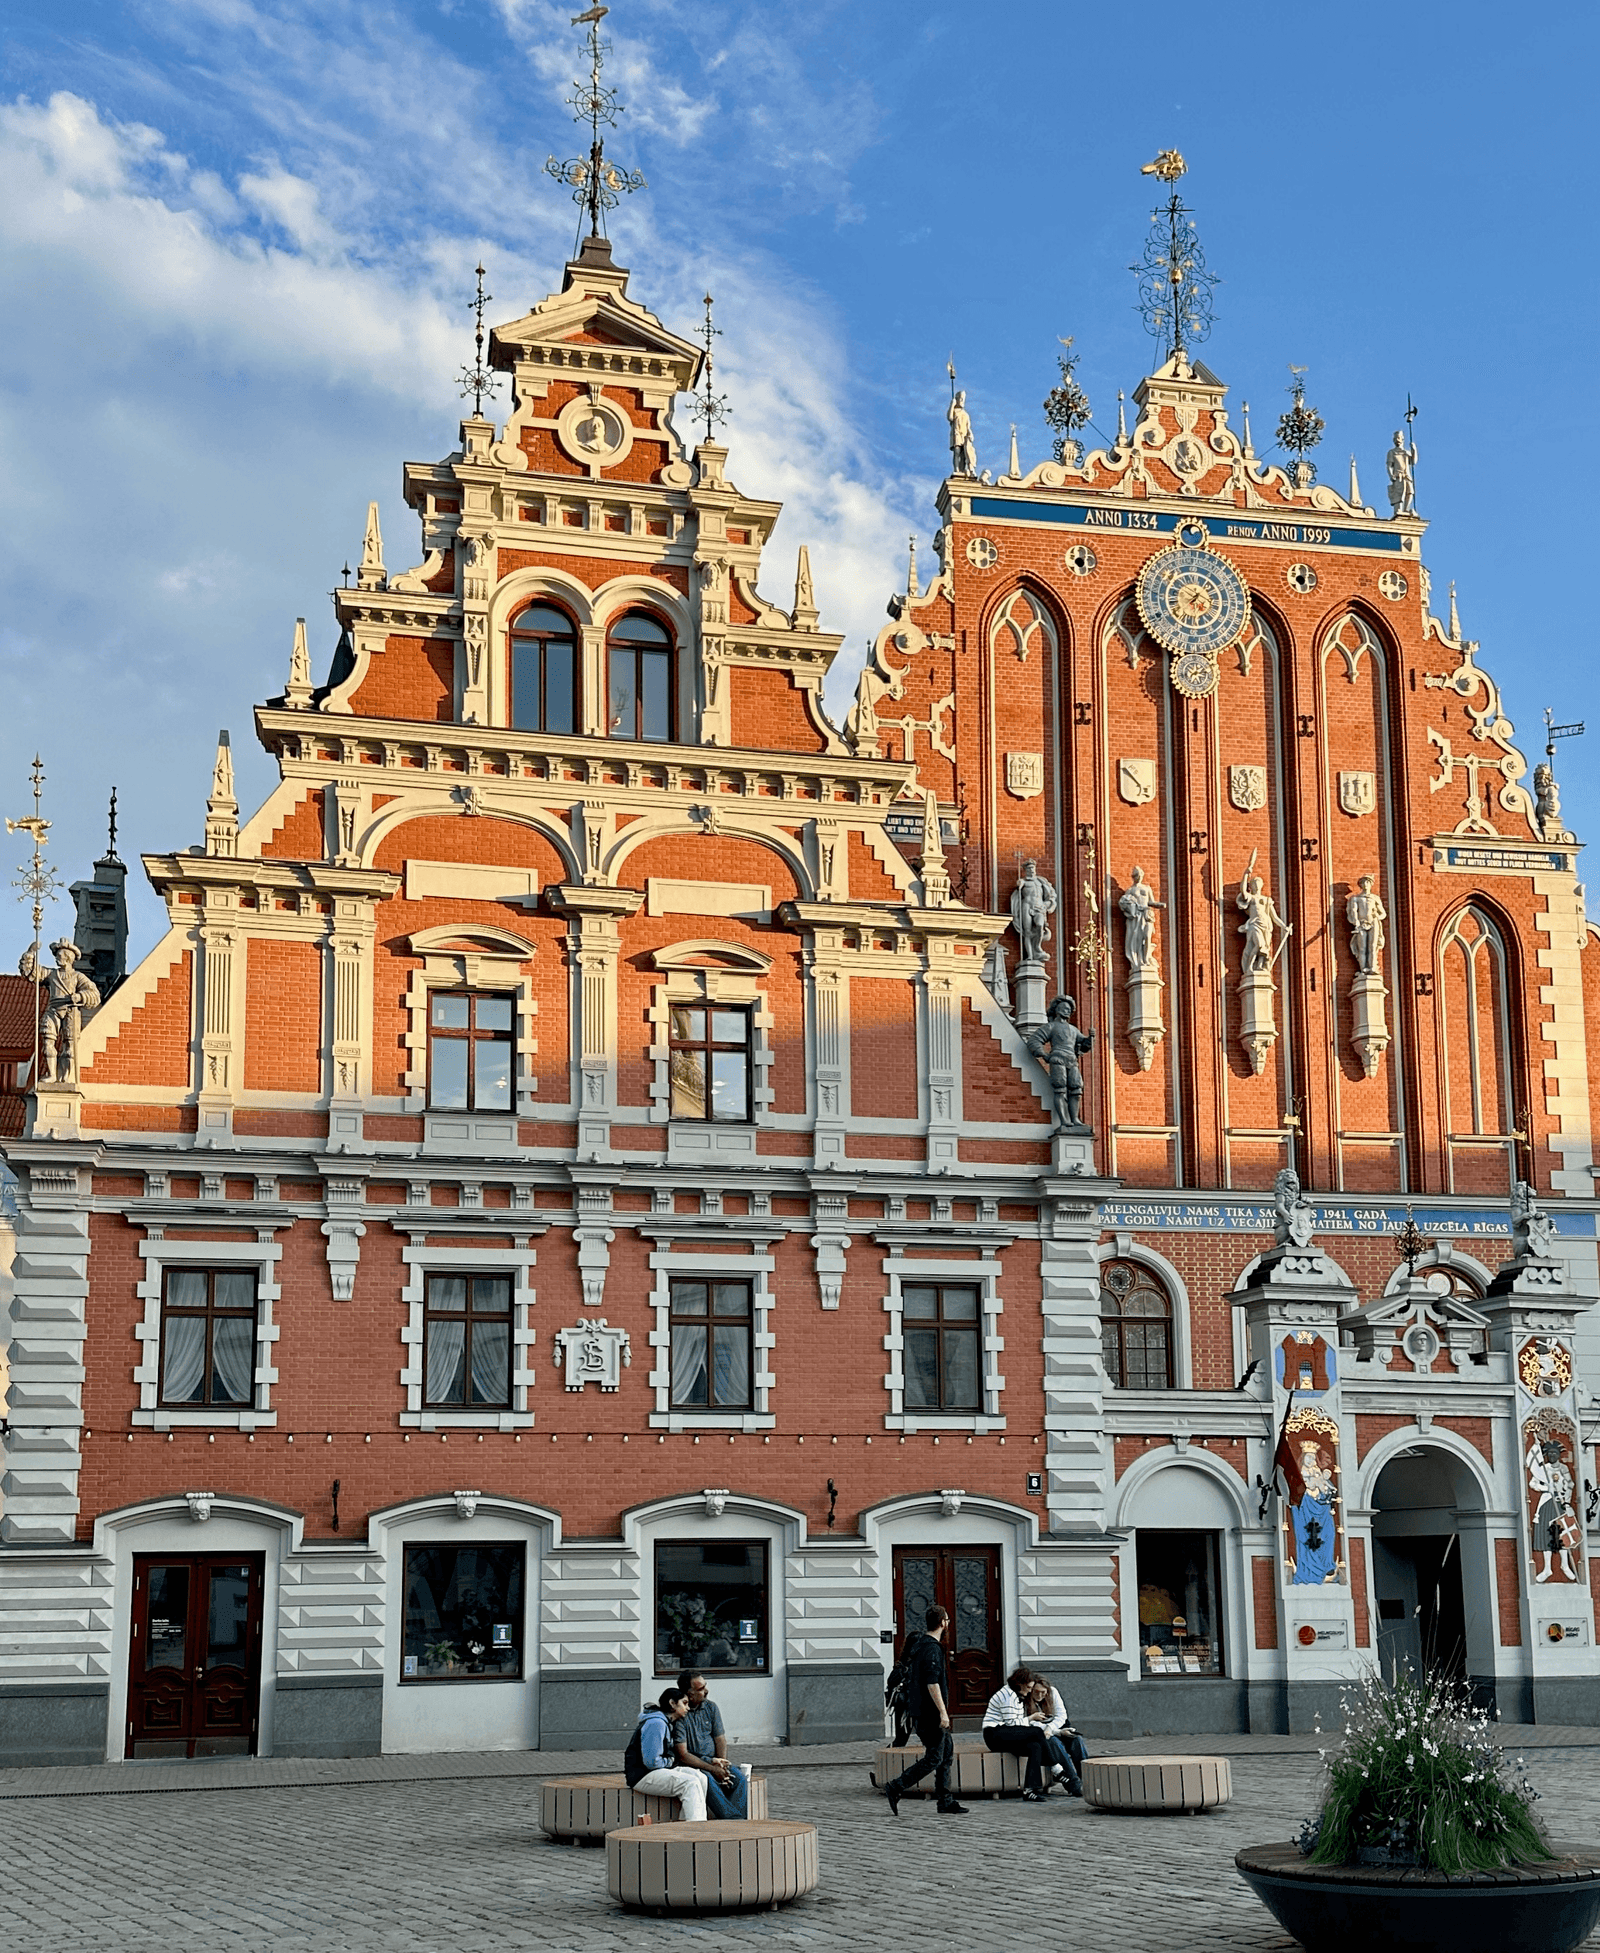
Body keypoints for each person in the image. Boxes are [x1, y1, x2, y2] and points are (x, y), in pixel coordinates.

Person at [874, 1605, 969, 1816]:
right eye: (948, 1620)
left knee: (946, 1755)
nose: (949, 1624)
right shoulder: (931, 1648)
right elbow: (932, 1683)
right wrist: (943, 1713)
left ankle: (945, 1800)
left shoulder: (919, 1645)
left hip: (920, 1711)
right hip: (930, 1714)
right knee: (935, 1758)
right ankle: (896, 1786)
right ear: (943, 1622)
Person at [673, 1669, 749, 1819]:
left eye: (705, 1686)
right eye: (701, 1689)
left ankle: (734, 1821)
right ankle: (734, 1821)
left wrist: (721, 1765)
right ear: (689, 1694)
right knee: (707, 1779)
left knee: (738, 1778)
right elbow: (683, 1755)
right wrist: (713, 1769)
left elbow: (720, 1739)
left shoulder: (711, 1707)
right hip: (694, 1764)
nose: (706, 1691)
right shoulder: (680, 1713)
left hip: (714, 1761)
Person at [623, 1687, 707, 1820]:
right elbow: (652, 1762)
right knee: (690, 1783)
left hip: (654, 1771)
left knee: (700, 1777)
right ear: (672, 1703)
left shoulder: (665, 1722)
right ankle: (696, 1830)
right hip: (642, 1775)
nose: (688, 1708)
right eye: (684, 1703)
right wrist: (670, 1761)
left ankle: (687, 1823)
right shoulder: (656, 1723)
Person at [981, 1665, 1059, 1802]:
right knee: (1036, 1732)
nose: (1030, 1692)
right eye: (1028, 1688)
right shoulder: (1008, 1696)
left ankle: (1030, 1790)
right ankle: (1056, 1769)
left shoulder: (1016, 1695)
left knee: (1035, 1746)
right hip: (994, 1735)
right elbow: (1012, 1724)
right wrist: (1031, 1718)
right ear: (1020, 1684)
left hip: (1005, 1734)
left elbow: (1017, 1726)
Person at [1027, 1677, 1086, 1794]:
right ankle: (1073, 1784)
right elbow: (1031, 1724)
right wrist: (1056, 1732)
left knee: (1077, 1740)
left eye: (1043, 1692)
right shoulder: (1025, 1700)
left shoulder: (1053, 1692)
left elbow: (1061, 1716)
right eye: (1036, 1692)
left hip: (1057, 1728)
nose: (1039, 1696)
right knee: (1054, 1742)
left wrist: (1051, 1728)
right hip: (1042, 1736)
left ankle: (1088, 1780)